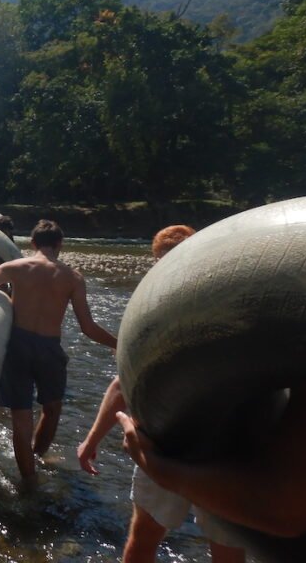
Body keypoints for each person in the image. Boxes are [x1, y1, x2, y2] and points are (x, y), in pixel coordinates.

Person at [76, 224, 245, 563]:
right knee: (226, 547)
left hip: (168, 442)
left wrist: (92, 440)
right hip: (230, 446)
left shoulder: (155, 310)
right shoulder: (233, 303)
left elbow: (124, 384)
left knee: (144, 538)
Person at [0, 219, 117, 484]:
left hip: (17, 346)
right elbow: (88, 328)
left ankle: (29, 481)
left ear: (32, 243)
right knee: (52, 408)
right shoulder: (72, 277)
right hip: (49, 348)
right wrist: (118, 343)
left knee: (21, 418)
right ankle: (38, 455)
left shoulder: (16, 267)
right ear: (60, 244)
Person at [118, 382, 306, 543]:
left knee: (146, 534)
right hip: (189, 435)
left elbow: (286, 515)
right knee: (145, 534)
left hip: (220, 446)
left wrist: (156, 468)